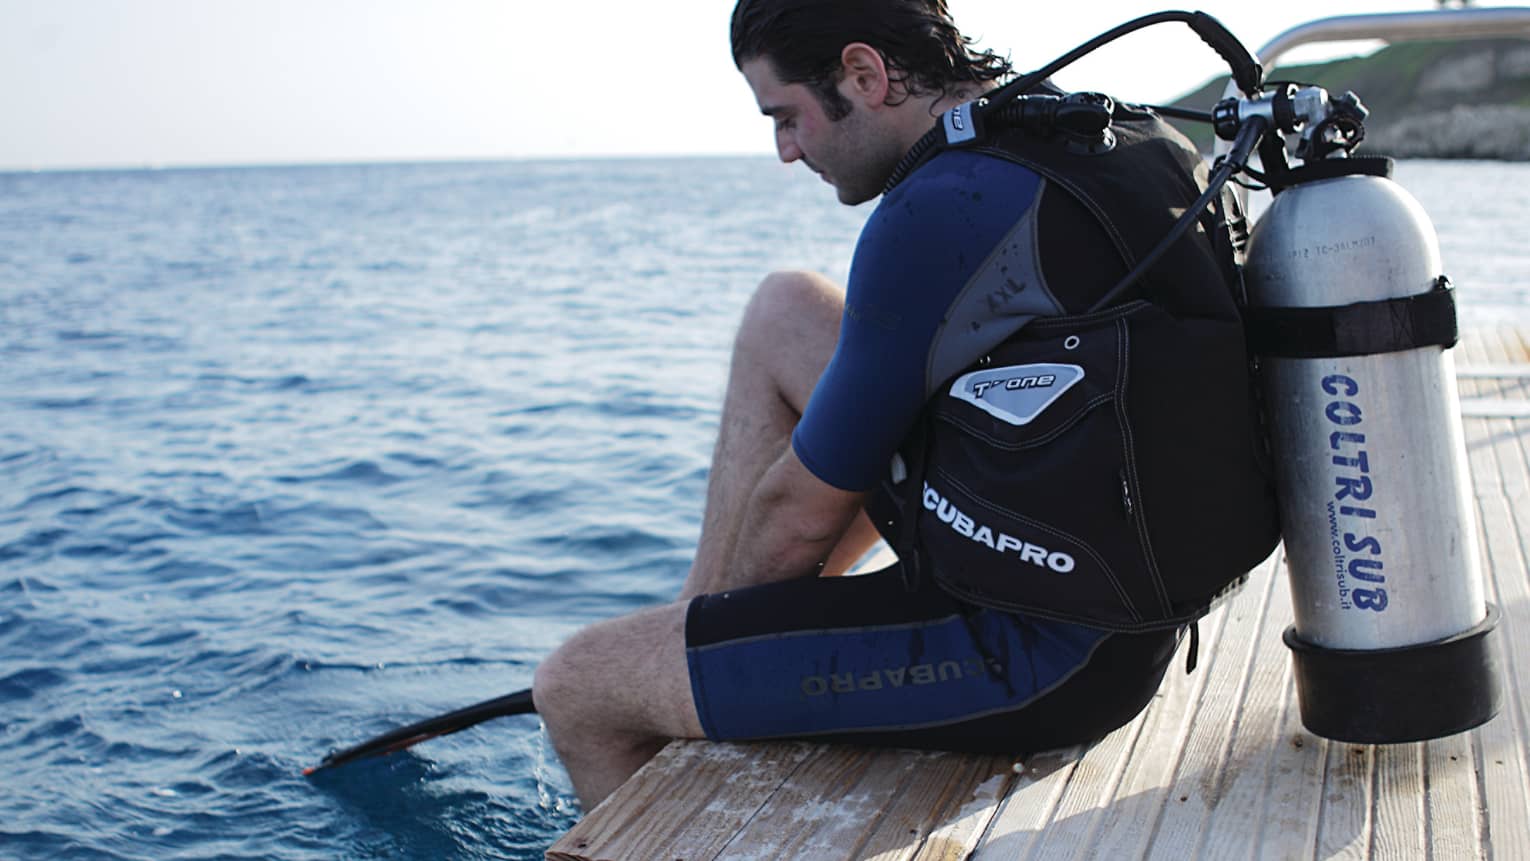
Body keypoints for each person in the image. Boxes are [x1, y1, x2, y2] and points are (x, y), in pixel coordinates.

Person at [533, 0, 1279, 809]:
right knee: (785, 310)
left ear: (864, 74)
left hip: (1039, 653)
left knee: (580, 685)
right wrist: (695, 640)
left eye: (787, 117)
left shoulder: (940, 207)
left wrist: (676, 673)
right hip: (1114, 581)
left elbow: (796, 517)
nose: (785, 150)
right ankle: (695, 634)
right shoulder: (1086, 137)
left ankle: (669, 739)